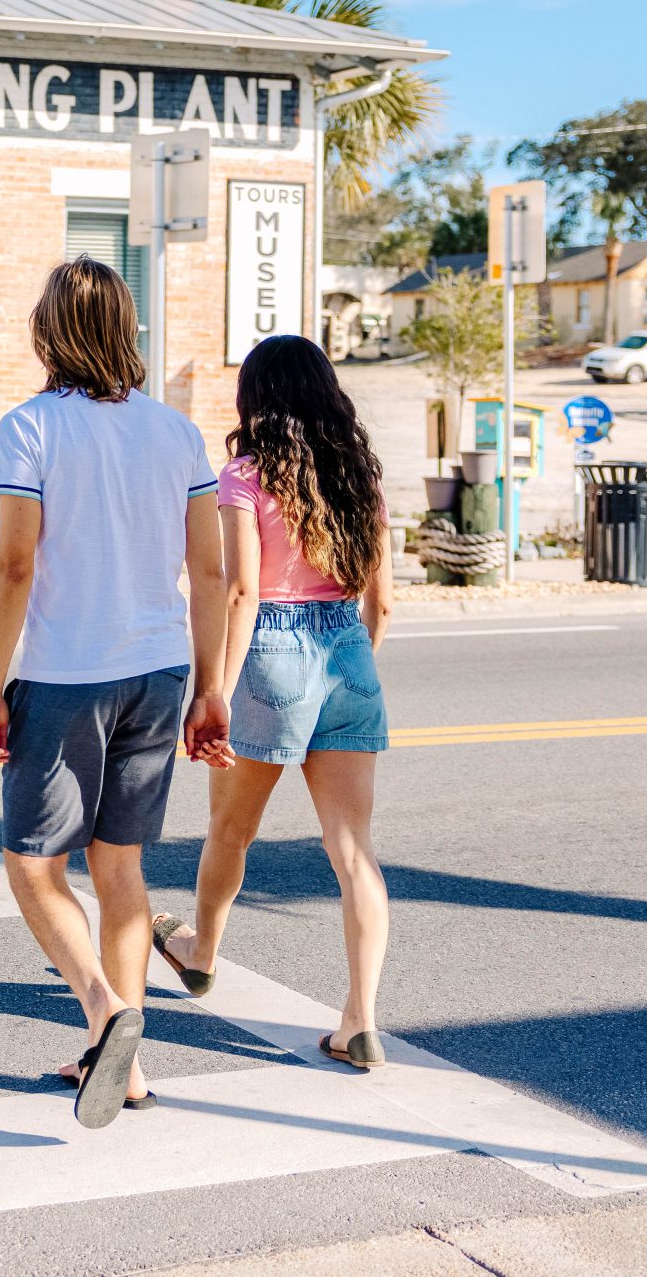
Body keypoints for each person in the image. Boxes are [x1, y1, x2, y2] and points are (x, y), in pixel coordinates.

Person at [0, 256, 231, 1129]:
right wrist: (208, 686)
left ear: (49, 331)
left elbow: (13, 564)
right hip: (159, 670)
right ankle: (124, 1066)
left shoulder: (30, 429)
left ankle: (104, 1011)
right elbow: (210, 569)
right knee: (119, 865)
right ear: (126, 330)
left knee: (32, 864)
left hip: (65, 672)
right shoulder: (176, 431)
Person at [151, 333, 394, 1070]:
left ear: (256, 400)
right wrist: (348, 667)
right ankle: (360, 1020)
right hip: (347, 650)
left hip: (273, 652)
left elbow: (241, 590)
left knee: (230, 832)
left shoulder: (247, 475)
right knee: (353, 853)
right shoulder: (361, 476)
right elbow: (381, 603)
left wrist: (214, 688)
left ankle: (200, 951)